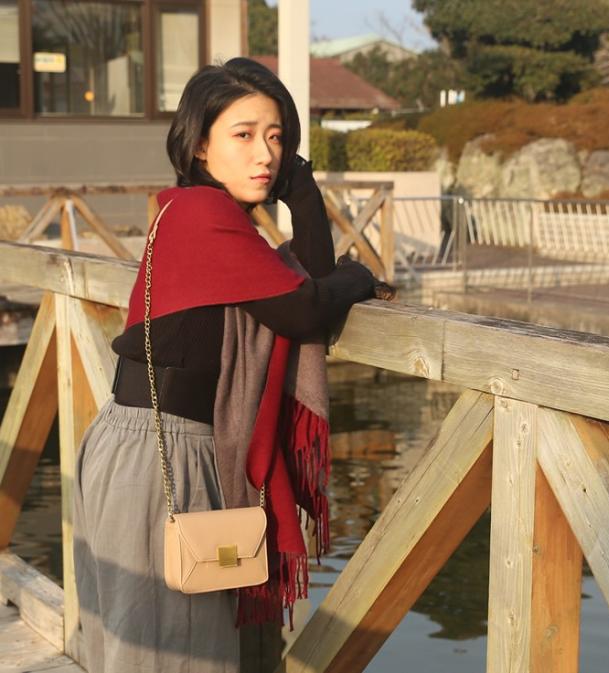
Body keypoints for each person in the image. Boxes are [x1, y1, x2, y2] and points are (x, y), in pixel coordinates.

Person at [72, 57, 390, 673]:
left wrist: (302, 191)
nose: (264, 154)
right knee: (170, 654)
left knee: (162, 649)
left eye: (276, 137)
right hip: (162, 454)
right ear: (199, 145)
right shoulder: (201, 214)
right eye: (243, 135)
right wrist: (356, 279)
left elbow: (306, 281)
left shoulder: (217, 225)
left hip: (170, 447)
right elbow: (306, 307)